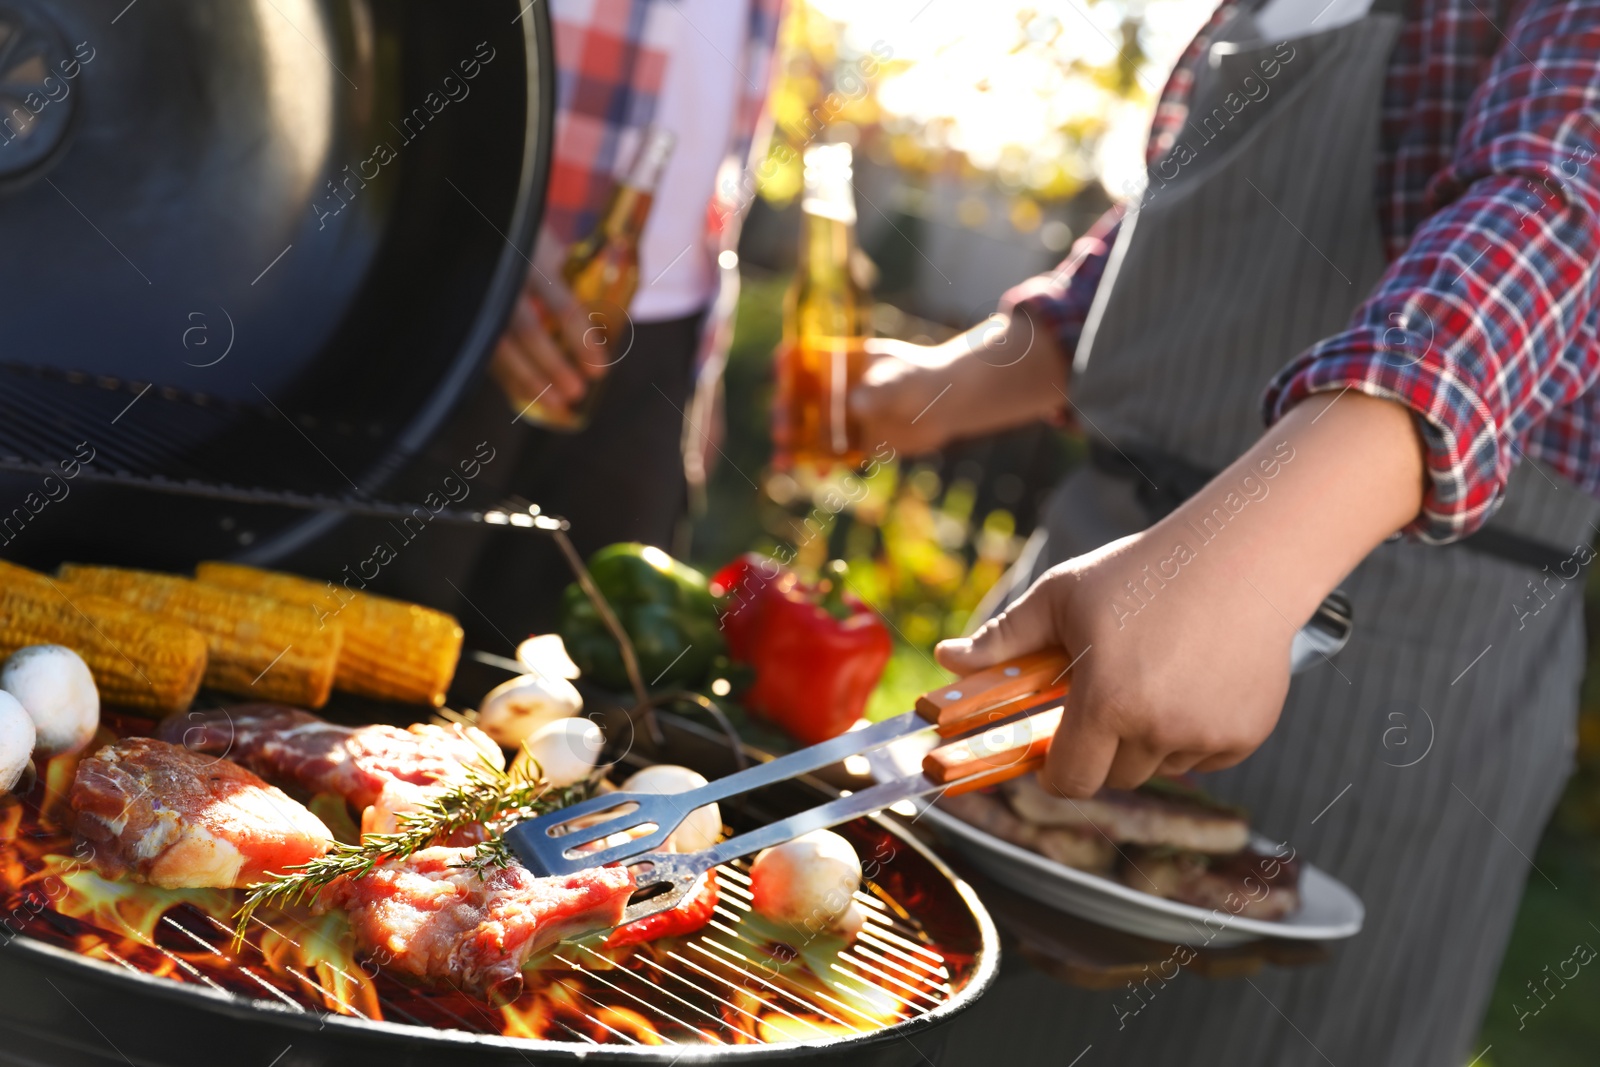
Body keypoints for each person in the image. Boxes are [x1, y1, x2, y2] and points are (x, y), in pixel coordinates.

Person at [851, 0, 1600, 1062]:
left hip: (1389, 652)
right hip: (1092, 586)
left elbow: (1557, 199)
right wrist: (917, 393)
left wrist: (1249, 550)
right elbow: (1139, 273)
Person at [458, 0, 783, 642]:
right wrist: (471, 243)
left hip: (662, 346)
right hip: (479, 304)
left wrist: (703, 366)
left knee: (578, 703)